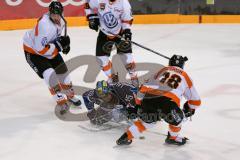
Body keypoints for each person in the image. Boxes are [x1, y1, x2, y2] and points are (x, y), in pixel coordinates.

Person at [116, 55, 201, 146]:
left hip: (148, 98)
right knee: (179, 120)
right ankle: (173, 137)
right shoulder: (185, 75)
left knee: (146, 122)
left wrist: (138, 104)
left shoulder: (160, 71)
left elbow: (143, 87)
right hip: (167, 102)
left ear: (170, 63)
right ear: (182, 65)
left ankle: (126, 137)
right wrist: (189, 109)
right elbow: (196, 101)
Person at [23, 1, 81, 113]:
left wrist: (64, 45)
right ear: (49, 13)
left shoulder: (62, 20)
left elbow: (56, 38)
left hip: (48, 49)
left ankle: (69, 95)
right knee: (50, 75)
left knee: (63, 73)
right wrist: (58, 46)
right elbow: (40, 49)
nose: (56, 16)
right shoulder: (44, 25)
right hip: (33, 52)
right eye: (53, 14)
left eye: (58, 13)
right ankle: (61, 101)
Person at [84, 0, 139, 87]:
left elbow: (127, 20)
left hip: (120, 32)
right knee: (101, 59)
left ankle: (134, 77)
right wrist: (91, 18)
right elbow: (87, 5)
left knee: (126, 57)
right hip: (104, 33)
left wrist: (127, 32)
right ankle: (113, 77)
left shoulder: (124, 3)